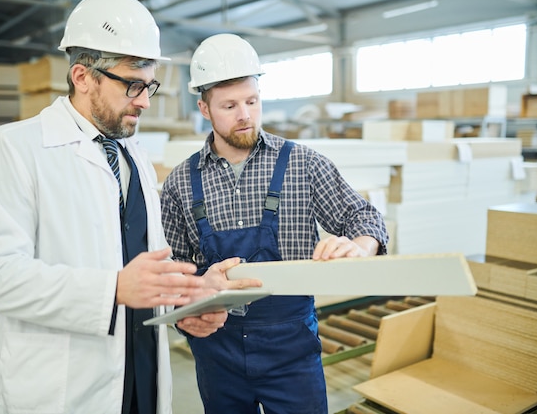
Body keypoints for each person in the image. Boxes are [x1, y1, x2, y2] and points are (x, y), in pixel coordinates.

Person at [0, 0, 259, 414]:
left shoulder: (132, 155)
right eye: (133, 85)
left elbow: (138, 258)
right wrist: (113, 290)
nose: (145, 101)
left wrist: (185, 301)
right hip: (63, 387)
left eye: (149, 86)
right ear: (82, 76)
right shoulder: (13, 148)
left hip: (141, 374)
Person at [160, 33, 389, 414]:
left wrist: (360, 245)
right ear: (204, 108)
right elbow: (172, 269)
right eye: (229, 105)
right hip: (217, 354)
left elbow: (364, 216)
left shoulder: (302, 164)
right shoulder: (181, 183)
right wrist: (186, 317)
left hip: (292, 354)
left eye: (252, 101)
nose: (245, 114)